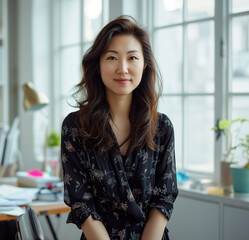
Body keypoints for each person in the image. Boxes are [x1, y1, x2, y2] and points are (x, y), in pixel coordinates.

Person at [61, 15, 178, 240]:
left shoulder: (162, 127)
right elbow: (81, 204)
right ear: (98, 65)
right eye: (112, 57)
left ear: (145, 65)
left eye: (132, 58)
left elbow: (165, 198)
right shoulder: (75, 127)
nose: (122, 69)